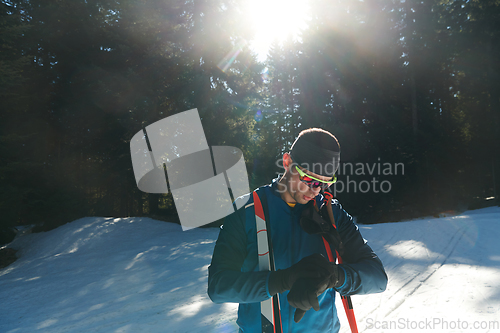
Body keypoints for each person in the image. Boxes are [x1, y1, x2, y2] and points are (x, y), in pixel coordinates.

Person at [208, 128, 387, 332]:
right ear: (287, 162)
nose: (316, 190)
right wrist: (282, 280)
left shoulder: (331, 213)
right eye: (309, 180)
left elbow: (378, 277)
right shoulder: (246, 210)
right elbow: (218, 286)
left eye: (324, 183)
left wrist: (334, 276)